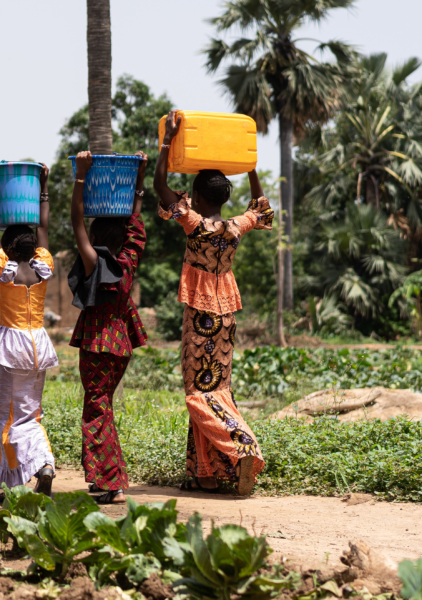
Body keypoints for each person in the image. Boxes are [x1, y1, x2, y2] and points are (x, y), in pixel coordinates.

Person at [153, 110, 274, 496]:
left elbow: (159, 186)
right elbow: (262, 205)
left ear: (199, 197)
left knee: (197, 393)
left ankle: (243, 449)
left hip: (200, 316)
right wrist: (250, 163)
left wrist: (167, 140)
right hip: (226, 321)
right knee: (216, 387)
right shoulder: (236, 227)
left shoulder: (196, 224)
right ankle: (205, 473)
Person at [67, 150, 149, 505]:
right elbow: (136, 223)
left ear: (98, 237)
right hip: (121, 344)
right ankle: (109, 477)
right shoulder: (127, 261)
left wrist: (81, 178)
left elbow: (75, 223)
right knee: (103, 406)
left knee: (96, 408)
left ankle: (108, 480)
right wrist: (139, 180)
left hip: (99, 344)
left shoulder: (96, 262)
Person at [0, 161, 58, 497]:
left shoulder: (5, 270)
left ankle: (29, 475)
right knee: (31, 414)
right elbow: (43, 227)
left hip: (12, 346)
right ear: (33, 249)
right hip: (38, 344)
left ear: (9, 250)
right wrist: (43, 186)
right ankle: (32, 472)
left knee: (7, 418)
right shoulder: (43, 268)